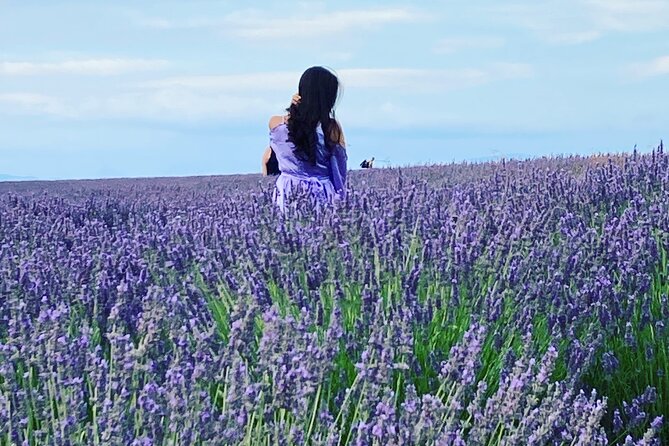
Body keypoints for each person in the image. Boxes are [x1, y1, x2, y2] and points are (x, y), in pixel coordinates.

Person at [267, 66, 348, 211]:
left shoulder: (275, 124)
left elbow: (294, 125)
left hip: (287, 191)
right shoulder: (332, 128)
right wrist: (342, 202)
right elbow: (339, 170)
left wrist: (295, 107)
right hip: (322, 193)